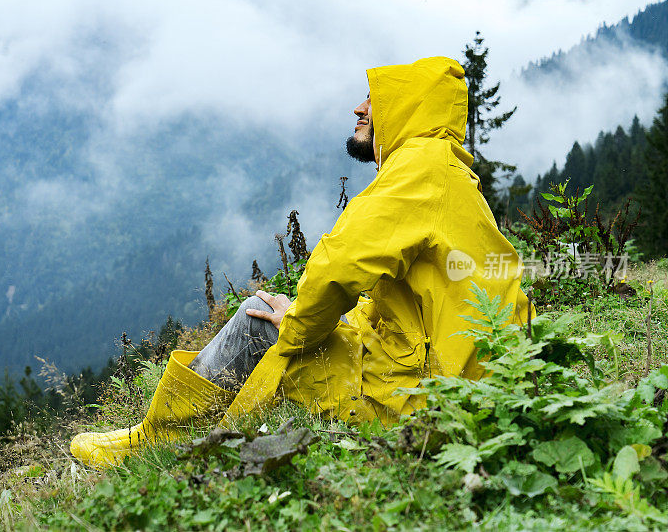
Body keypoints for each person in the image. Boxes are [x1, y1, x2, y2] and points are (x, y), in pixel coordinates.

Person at [70, 56, 532, 467]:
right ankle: (176, 430)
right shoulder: (449, 174)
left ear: (408, 109)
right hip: (453, 385)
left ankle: (152, 442)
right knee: (283, 315)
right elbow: (419, 301)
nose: (359, 108)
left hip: (414, 402)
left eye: (374, 99)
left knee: (257, 321)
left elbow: (337, 265)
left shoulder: (420, 170)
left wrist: (294, 326)